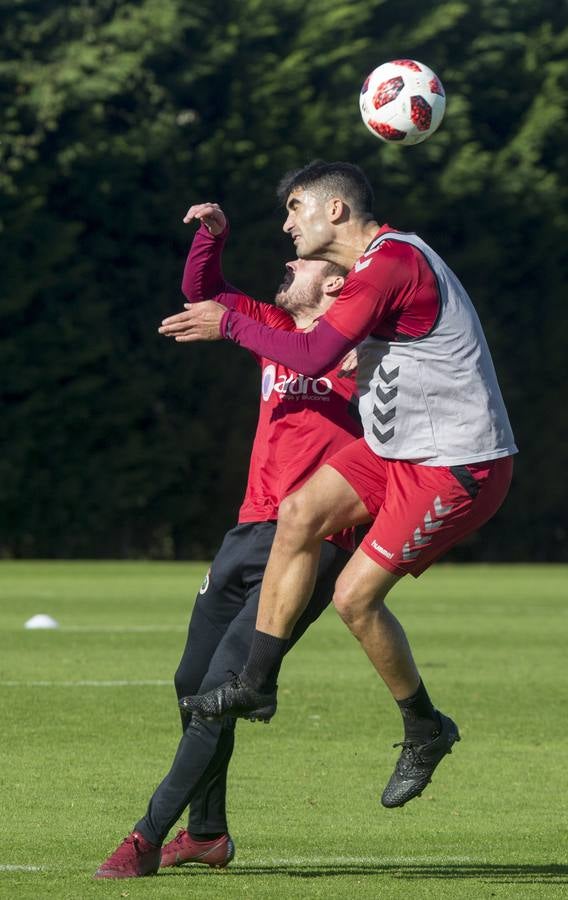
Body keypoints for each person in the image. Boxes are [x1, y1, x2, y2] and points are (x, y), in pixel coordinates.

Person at [159, 161, 518, 810]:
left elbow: (315, 354)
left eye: (295, 208)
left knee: (354, 598)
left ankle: (424, 728)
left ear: (335, 212)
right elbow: (277, 326)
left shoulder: (391, 263)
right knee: (299, 513)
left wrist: (231, 325)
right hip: (400, 451)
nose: (287, 224)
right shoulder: (373, 273)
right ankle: (255, 683)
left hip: (460, 463)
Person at [94, 200, 362, 879]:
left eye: (300, 260)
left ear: (334, 280)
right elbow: (204, 298)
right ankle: (208, 833)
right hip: (248, 529)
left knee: (223, 684)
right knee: (192, 681)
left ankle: (147, 835)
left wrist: (233, 327)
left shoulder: (363, 342)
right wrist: (213, 241)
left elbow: (291, 344)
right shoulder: (278, 323)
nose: (288, 261)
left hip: (315, 540)